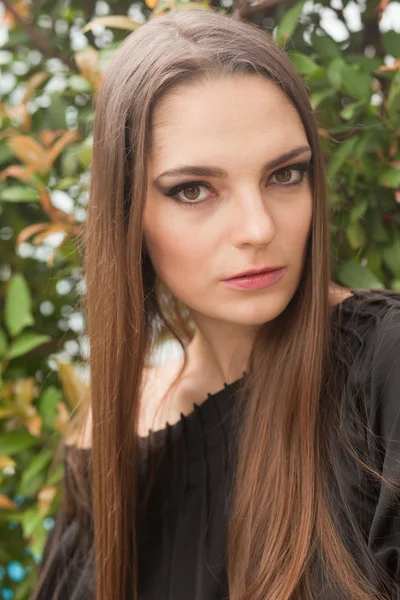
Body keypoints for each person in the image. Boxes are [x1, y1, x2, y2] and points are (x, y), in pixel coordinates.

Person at [31, 8, 400, 600]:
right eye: (194, 190)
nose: (257, 228)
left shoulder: (385, 367)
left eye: (286, 174)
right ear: (128, 215)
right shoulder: (114, 433)